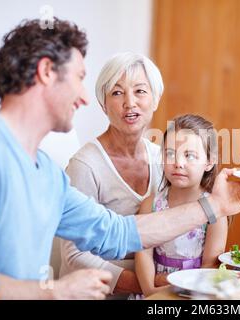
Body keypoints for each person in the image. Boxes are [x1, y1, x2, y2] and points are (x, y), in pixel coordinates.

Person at [0, 17, 240, 299]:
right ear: (47, 71)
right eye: (80, 78)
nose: (86, 98)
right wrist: (54, 293)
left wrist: (215, 205)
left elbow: (116, 232)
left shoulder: (46, 172)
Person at [59, 52, 164, 297]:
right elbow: (75, 256)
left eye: (140, 91)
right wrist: (147, 284)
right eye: (117, 93)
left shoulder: (163, 160)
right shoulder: (85, 165)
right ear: (103, 104)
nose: (130, 103)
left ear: (155, 99)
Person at [135, 114, 228, 297]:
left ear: (209, 161)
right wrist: (150, 291)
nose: (178, 163)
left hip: (193, 294)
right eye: (170, 153)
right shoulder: (151, 205)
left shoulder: (215, 212)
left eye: (189, 155)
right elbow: (143, 256)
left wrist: (175, 290)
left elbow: (209, 267)